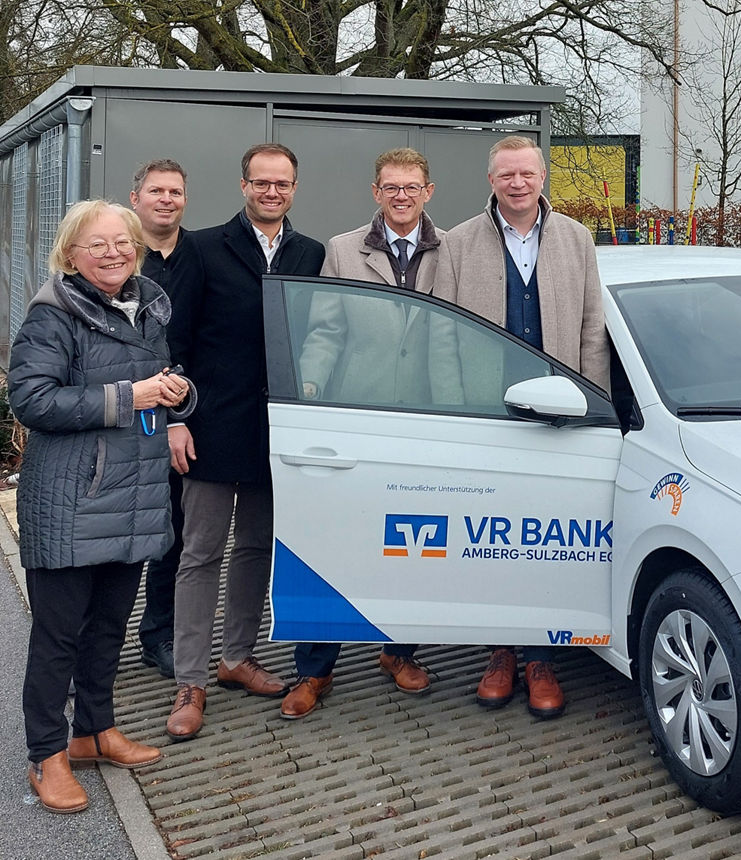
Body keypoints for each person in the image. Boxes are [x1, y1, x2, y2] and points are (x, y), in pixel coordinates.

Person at [10, 200, 194, 813]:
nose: (113, 253)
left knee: (109, 629)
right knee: (59, 638)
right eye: (98, 245)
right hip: (72, 502)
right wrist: (131, 394)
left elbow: (155, 379)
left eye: (122, 242)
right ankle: (47, 754)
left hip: (133, 498)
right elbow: (33, 401)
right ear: (71, 255)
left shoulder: (145, 307)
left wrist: (176, 391)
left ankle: (93, 732)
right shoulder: (53, 315)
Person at [436, 135, 609, 720]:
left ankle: (541, 657)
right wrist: (457, 413)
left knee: (546, 537)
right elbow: (445, 337)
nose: (517, 184)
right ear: (492, 180)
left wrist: (590, 405)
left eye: (527, 173)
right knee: (491, 536)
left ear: (542, 178)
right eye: (507, 174)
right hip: (489, 415)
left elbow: (592, 327)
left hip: (560, 415)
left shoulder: (577, 239)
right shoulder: (458, 243)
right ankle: (500, 651)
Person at [165, 143, 325, 742]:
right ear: (243, 185)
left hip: (276, 429)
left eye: (282, 183)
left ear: (294, 188)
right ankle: (191, 680)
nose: (271, 192)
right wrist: (175, 420)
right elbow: (171, 342)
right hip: (208, 424)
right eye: (261, 182)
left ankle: (235, 658)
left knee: (257, 547)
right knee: (201, 551)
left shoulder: (311, 254)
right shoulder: (202, 248)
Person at [282, 147, 444, 720]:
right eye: (391, 187)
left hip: (424, 420)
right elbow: (326, 329)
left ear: (429, 191)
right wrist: (313, 393)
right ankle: (314, 669)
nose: (402, 196)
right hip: (355, 415)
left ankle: (398, 651)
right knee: (333, 538)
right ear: (376, 192)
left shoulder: (448, 250)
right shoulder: (343, 249)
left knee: (412, 539)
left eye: (412, 187)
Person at [130, 158, 198, 679]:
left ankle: (158, 634)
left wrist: (181, 414)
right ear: (137, 199)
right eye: (156, 191)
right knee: (121, 532)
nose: (166, 199)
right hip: (124, 418)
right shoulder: (118, 257)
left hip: (180, 415)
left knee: (171, 531)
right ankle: (94, 641)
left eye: (174, 191)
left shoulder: (200, 255)